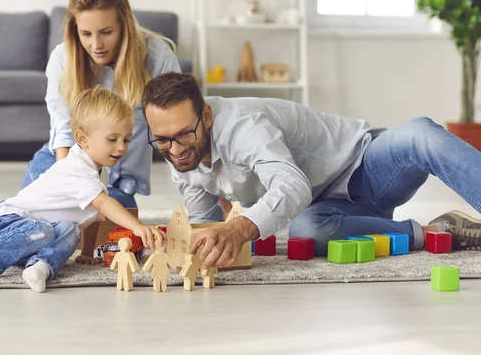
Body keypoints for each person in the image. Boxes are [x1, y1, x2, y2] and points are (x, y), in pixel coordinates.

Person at [141, 72, 481, 270]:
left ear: (208, 116)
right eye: (162, 140)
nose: (176, 150)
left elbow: (292, 186)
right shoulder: (180, 161)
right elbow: (206, 226)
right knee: (305, 231)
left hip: (366, 168)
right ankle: (434, 231)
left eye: (185, 134)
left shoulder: (243, 126)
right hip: (330, 211)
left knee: (420, 133)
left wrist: (241, 228)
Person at [0, 0, 181, 226]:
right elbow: (63, 132)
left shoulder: (157, 56)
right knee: (41, 222)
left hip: (115, 179)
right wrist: (69, 196)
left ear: (125, 25)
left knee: (108, 228)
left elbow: (178, 126)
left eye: (107, 32)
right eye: (86, 34)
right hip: (62, 165)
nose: (96, 44)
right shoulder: (63, 59)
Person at [0, 88, 165, 292]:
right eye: (112, 139)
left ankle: (41, 266)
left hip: (34, 240)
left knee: (69, 229)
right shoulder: (76, 169)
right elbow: (102, 203)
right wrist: (136, 225)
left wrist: (88, 252)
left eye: (126, 139)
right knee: (44, 231)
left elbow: (93, 213)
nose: (121, 147)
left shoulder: (98, 171)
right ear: (83, 139)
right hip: (5, 227)